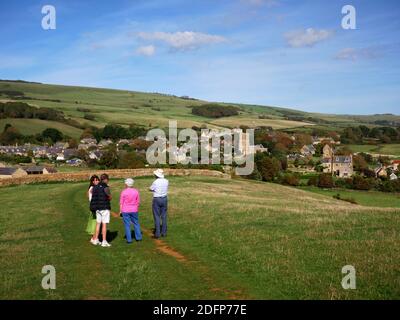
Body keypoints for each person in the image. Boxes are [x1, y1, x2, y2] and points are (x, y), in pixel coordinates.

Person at [90, 173, 112, 247]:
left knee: (98, 223)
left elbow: (92, 194)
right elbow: (109, 197)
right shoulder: (106, 187)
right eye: (107, 180)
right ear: (105, 179)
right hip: (104, 207)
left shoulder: (95, 187)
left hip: (97, 208)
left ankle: (95, 239)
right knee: (104, 224)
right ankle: (104, 241)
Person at [120, 178, 142, 244]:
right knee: (136, 223)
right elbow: (138, 202)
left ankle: (129, 240)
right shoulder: (136, 191)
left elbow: (121, 202)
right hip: (134, 209)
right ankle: (138, 238)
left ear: (126, 184)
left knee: (127, 225)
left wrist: (120, 211)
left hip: (125, 210)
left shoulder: (123, 192)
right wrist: (135, 207)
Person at [149, 169, 169, 238]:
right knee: (164, 216)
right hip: (164, 198)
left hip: (157, 199)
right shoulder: (166, 181)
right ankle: (164, 232)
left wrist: (150, 189)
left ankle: (157, 233)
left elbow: (151, 188)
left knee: (157, 216)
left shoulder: (155, 182)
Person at [86, 175, 100, 241]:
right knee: (95, 222)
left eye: (97, 180)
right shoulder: (92, 188)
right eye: (94, 180)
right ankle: (94, 238)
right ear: (92, 181)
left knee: (96, 222)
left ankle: (95, 237)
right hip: (94, 207)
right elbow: (90, 199)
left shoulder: (96, 187)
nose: (96, 181)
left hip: (96, 207)